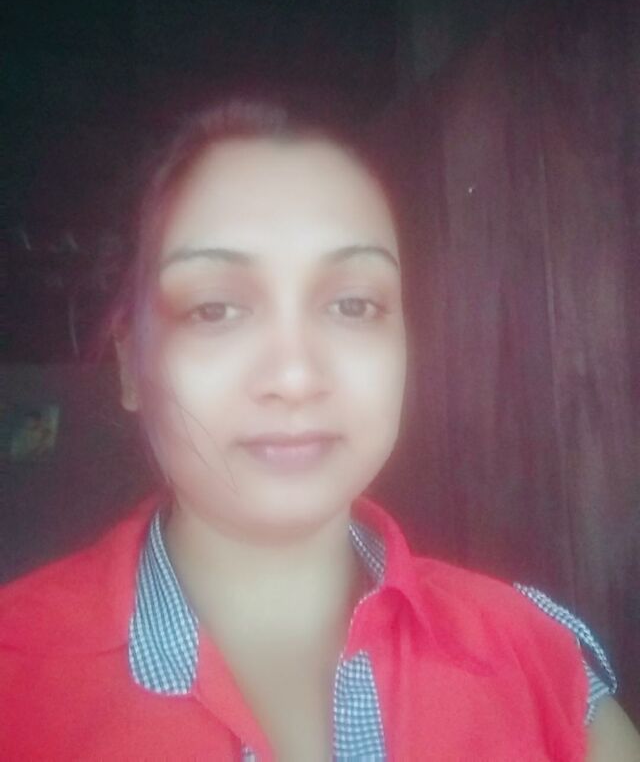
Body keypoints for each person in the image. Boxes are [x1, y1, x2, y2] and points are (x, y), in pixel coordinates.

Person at [1, 96, 638, 760]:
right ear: (131, 363)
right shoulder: (16, 678)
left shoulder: (535, 658)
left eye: (354, 304)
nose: (296, 375)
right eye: (214, 309)